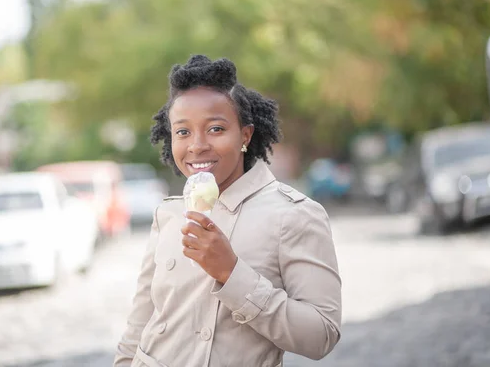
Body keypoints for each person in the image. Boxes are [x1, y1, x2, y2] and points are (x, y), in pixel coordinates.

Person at [114, 55, 341, 367]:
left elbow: (321, 336)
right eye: (183, 132)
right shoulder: (168, 215)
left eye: (216, 128)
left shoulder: (294, 215)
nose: (196, 145)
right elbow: (139, 325)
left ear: (244, 136)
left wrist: (232, 273)